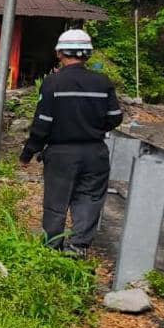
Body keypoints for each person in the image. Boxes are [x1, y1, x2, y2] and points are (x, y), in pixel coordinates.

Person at [20, 29, 124, 257]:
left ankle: (52, 246)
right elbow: (115, 117)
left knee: (56, 199)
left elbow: (42, 123)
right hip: (94, 152)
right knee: (89, 198)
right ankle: (78, 247)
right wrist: (94, 128)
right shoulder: (102, 82)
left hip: (60, 154)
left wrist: (29, 152)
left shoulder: (53, 83)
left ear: (59, 53)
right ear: (88, 54)